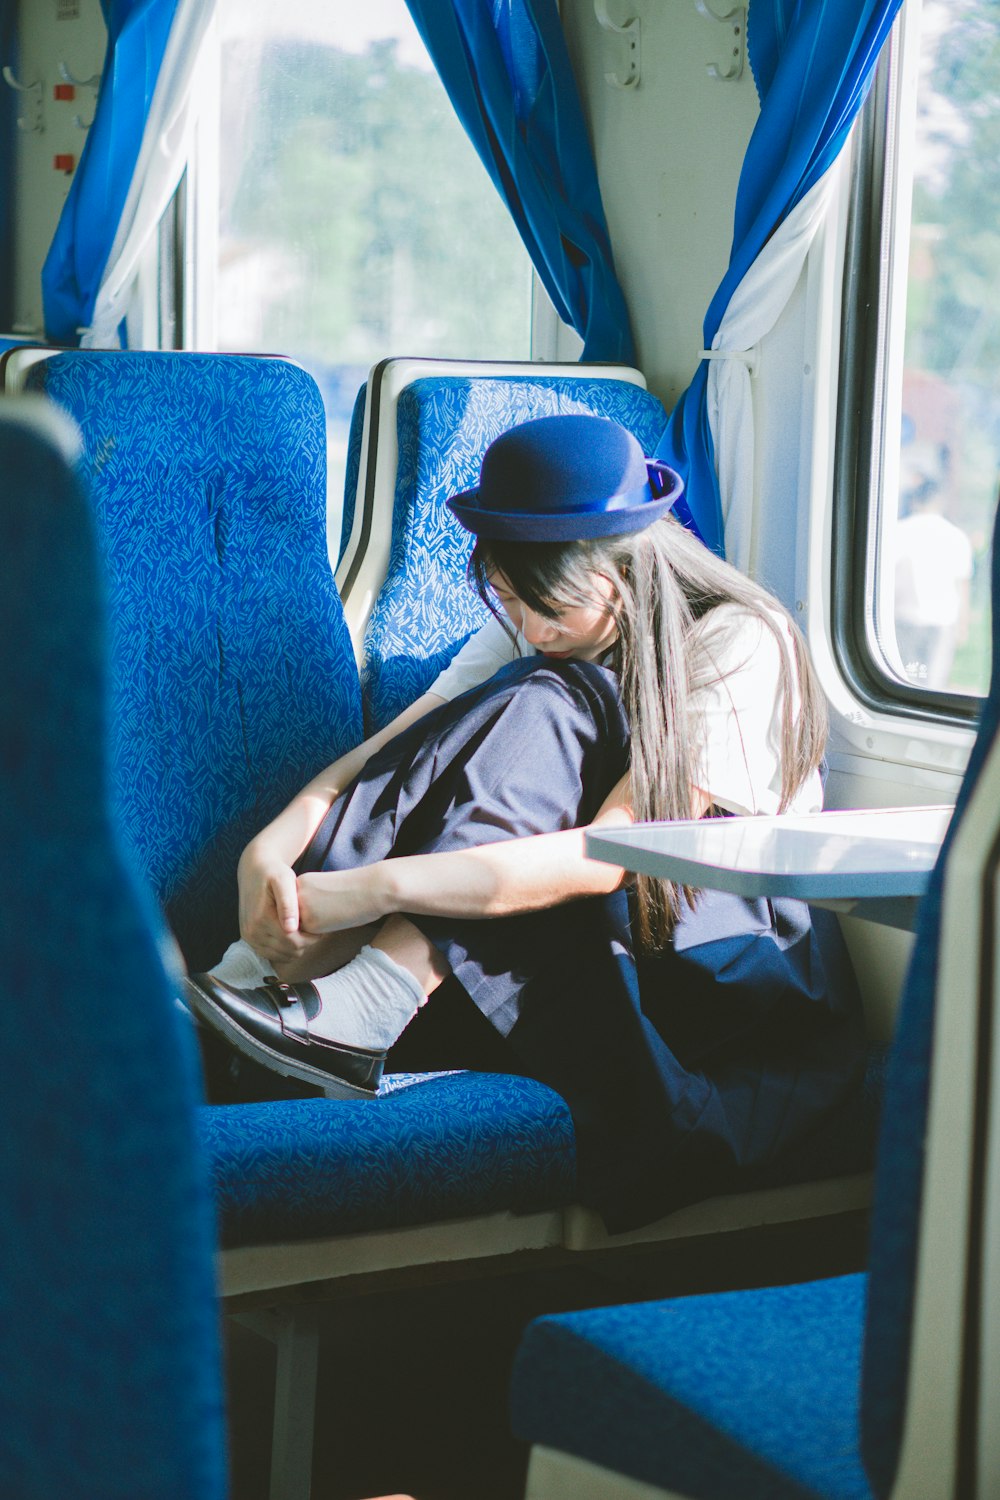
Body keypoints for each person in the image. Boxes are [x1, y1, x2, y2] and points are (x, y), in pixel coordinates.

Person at [185, 414, 864, 1231]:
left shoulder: (740, 640)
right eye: (510, 601)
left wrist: (365, 893)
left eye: (548, 609)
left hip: (723, 956)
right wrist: (274, 846)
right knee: (520, 702)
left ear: (619, 576)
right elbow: (403, 753)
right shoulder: (538, 611)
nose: (531, 629)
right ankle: (269, 988)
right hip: (588, 937)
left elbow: (609, 856)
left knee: (554, 699)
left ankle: (356, 998)